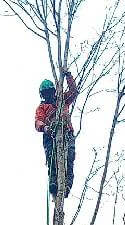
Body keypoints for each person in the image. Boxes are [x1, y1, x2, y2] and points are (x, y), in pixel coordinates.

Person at [35, 69, 78, 198]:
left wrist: (68, 76)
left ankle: (67, 185)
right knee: (52, 158)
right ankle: (54, 183)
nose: (48, 95)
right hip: (50, 136)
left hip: (67, 133)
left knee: (69, 158)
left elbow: (73, 92)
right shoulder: (42, 108)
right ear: (43, 95)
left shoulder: (62, 100)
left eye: (50, 92)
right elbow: (38, 122)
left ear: (54, 91)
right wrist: (46, 128)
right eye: (46, 93)